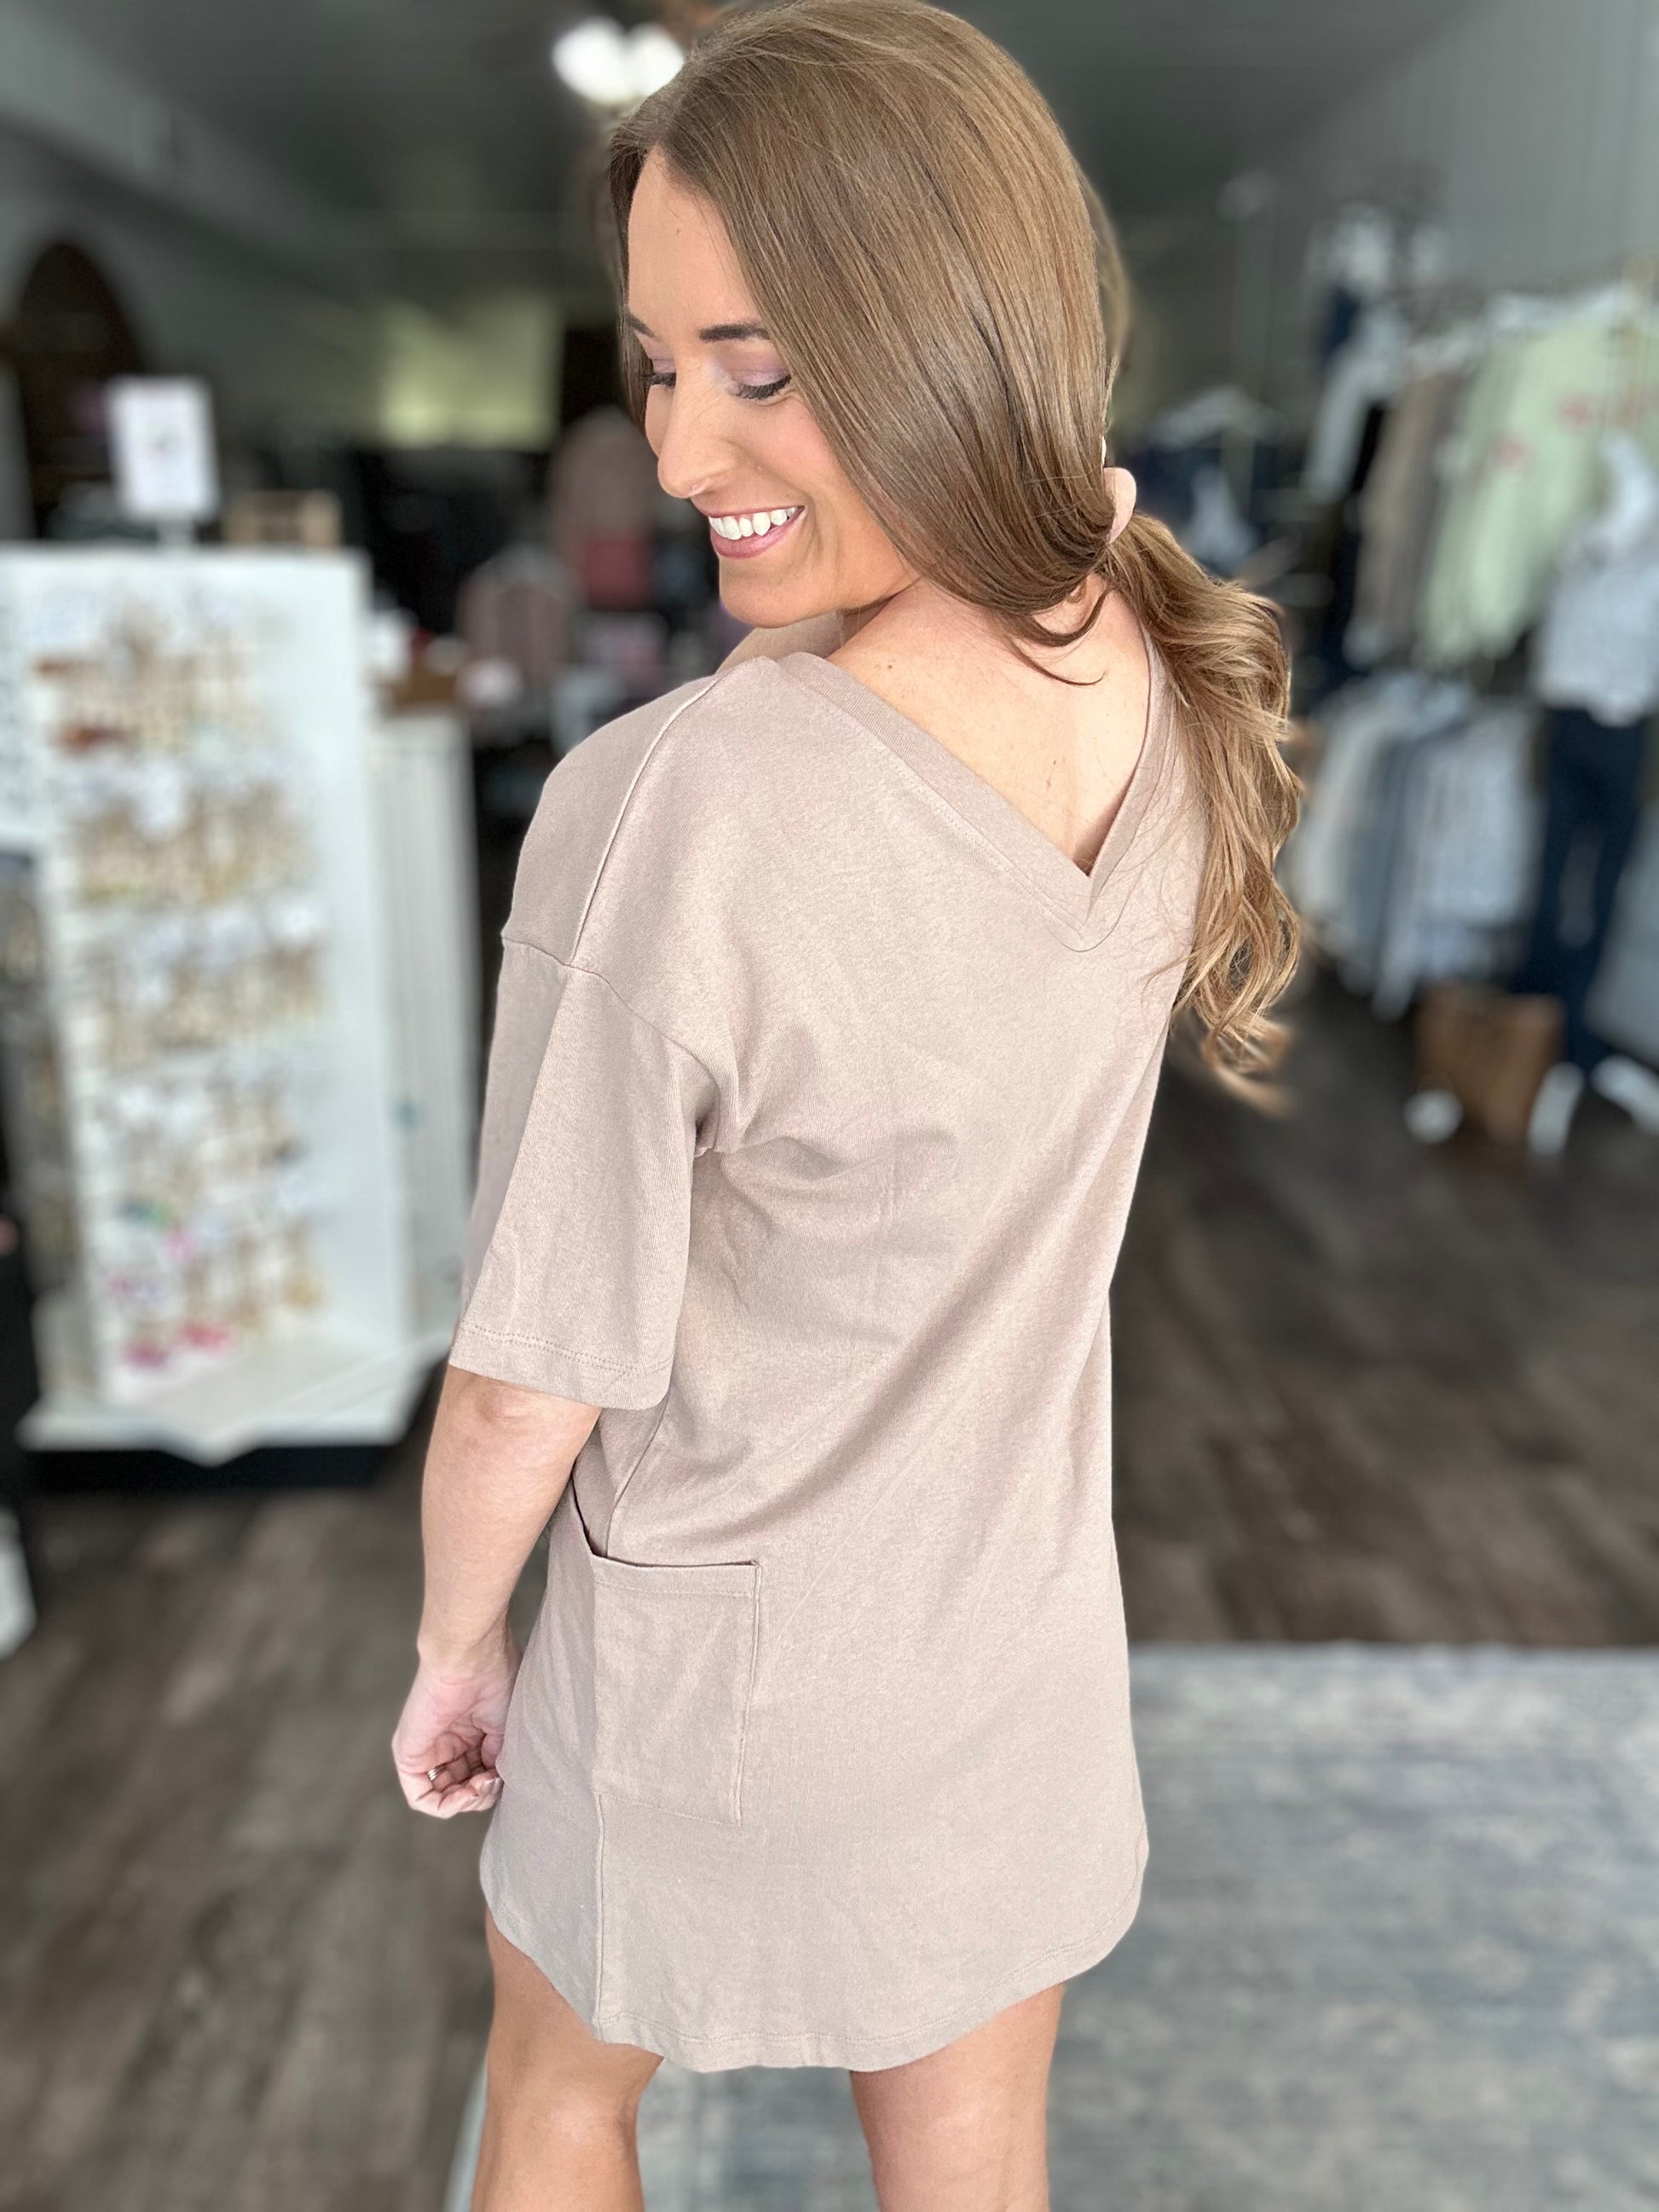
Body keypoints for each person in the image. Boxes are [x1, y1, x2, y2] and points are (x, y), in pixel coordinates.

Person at [391, 4, 1298, 2206]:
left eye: (761, 367)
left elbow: (524, 1378)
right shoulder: (1151, 664)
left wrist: (455, 1641)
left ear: (941, 343)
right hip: (1006, 1645)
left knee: (559, 2096)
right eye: (654, 366)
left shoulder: (672, 806)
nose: (681, 450)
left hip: (722, 1674)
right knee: (973, 2155)